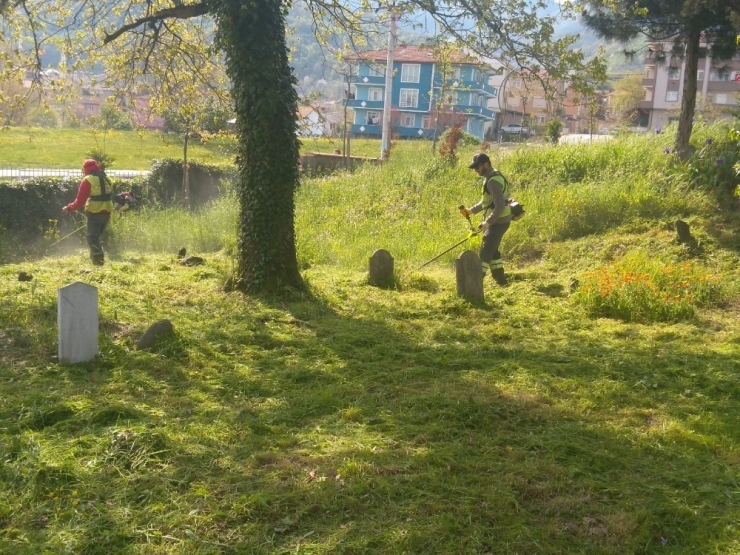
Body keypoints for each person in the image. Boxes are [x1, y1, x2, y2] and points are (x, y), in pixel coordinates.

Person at [460, 153, 512, 286]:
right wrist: (471, 211)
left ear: (486, 164)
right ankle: (501, 281)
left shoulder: (493, 181)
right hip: (499, 220)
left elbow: (499, 205)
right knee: (492, 250)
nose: (476, 170)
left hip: (498, 221)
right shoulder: (491, 176)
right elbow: (487, 203)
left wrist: (487, 223)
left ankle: (474, 284)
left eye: (477, 167)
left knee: (485, 251)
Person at [62, 159, 114, 266]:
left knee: (91, 237)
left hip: (95, 211)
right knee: (96, 236)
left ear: (85, 170)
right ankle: (93, 258)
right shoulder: (107, 178)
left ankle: (98, 261)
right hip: (107, 211)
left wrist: (69, 208)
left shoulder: (88, 180)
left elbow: (80, 201)